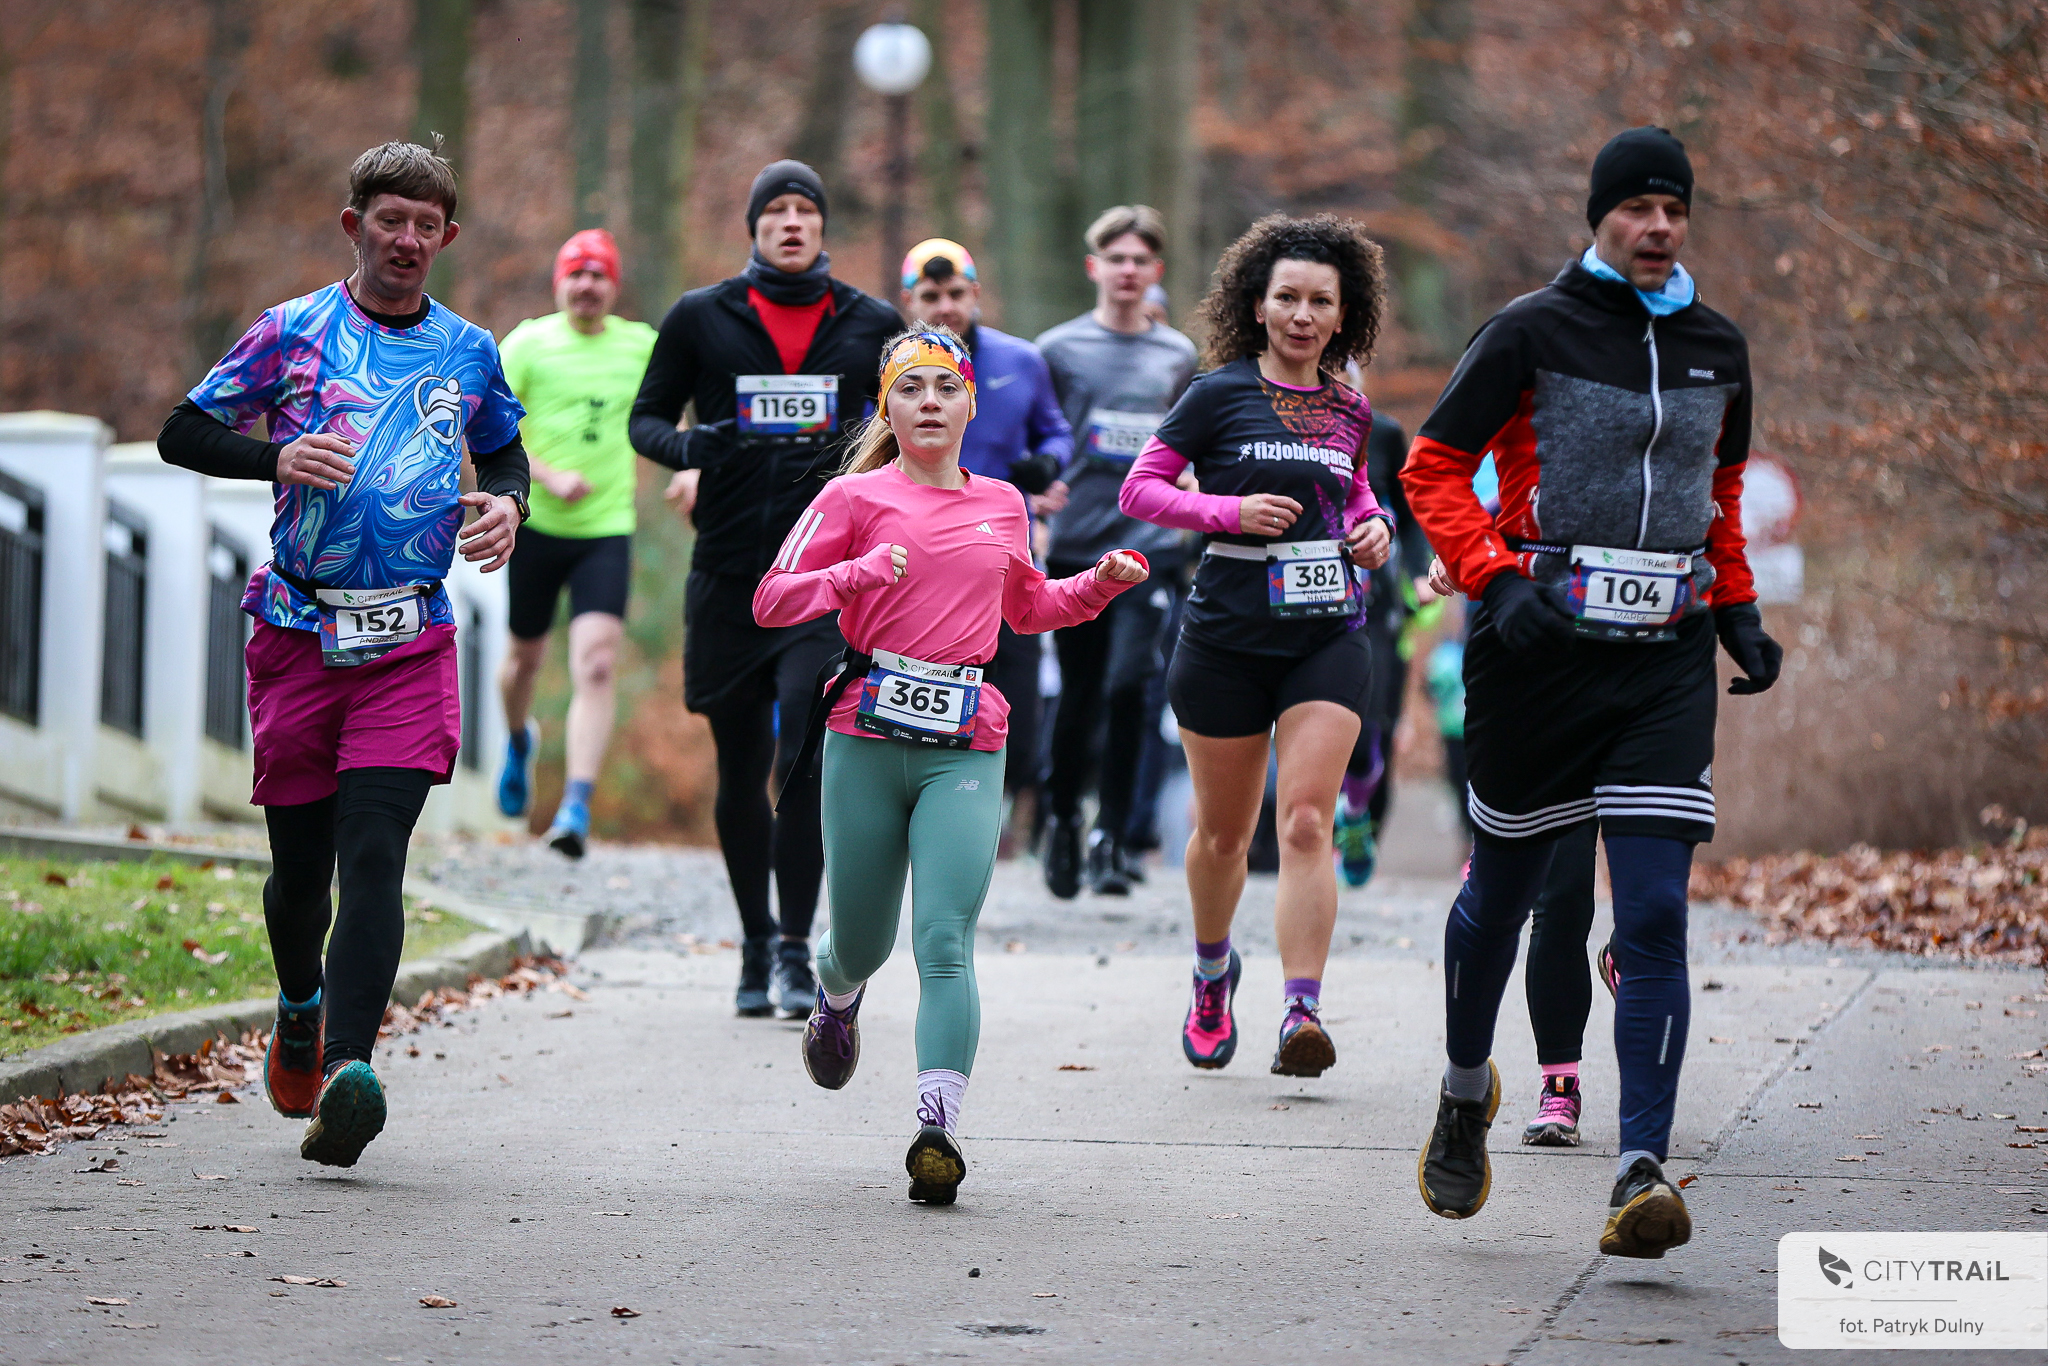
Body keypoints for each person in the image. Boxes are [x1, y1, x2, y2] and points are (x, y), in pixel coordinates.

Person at [1403, 127, 1782, 1257]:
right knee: (1503, 897)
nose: (1658, 225)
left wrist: (1737, 608)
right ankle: (1464, 1089)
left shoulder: (1717, 345)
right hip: (1537, 651)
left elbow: (1718, 489)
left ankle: (1639, 1168)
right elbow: (1431, 467)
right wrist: (1495, 577)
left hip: (1663, 659)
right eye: (1637, 207)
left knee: (1654, 909)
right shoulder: (1530, 330)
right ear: (1599, 216)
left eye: (1674, 208)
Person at [157, 141, 528, 1167]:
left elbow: (503, 446)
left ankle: (346, 1073)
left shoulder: (468, 349)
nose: (406, 240)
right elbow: (181, 431)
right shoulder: (292, 331)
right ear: (353, 224)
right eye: (389, 220)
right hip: (297, 630)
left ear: (447, 238)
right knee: (300, 873)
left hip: (409, 640)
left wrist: (509, 502)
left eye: (425, 226)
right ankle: (299, 1004)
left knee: (375, 857)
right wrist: (274, 455)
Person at [754, 328, 1145, 1204]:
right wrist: (853, 576)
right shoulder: (852, 496)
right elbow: (771, 600)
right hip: (865, 732)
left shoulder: (1003, 502)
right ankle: (836, 992)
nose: (929, 401)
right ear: (887, 408)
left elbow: (1028, 608)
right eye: (911, 388)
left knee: (943, 938)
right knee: (862, 942)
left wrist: (1099, 585)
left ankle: (938, 1127)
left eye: (945, 387)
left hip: (966, 739)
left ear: (971, 403)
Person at [1118, 213, 1394, 1077]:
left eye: (1321, 301)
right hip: (1227, 636)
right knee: (1223, 837)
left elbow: (1355, 493)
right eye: (1288, 298)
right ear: (1258, 305)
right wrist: (1226, 511)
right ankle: (1212, 972)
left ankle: (1301, 1011)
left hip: (1327, 632)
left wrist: (1376, 526)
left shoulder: (1350, 408)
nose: (1304, 315)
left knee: (1307, 820)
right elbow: (1141, 490)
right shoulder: (1217, 394)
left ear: (1344, 315)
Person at [629, 159, 900, 1019]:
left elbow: (906, 426)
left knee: (802, 759)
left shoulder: (871, 324)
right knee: (740, 765)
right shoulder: (702, 316)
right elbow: (646, 419)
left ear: (822, 226)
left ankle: (792, 947)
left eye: (804, 209)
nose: (790, 222)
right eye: (775, 210)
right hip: (728, 578)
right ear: (753, 226)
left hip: (821, 583)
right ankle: (753, 943)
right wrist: (690, 450)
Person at [1034, 205, 1198, 896]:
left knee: (1130, 686)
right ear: (1093, 267)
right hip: (1077, 545)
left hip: (1148, 546)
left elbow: (1190, 440)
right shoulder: (1057, 350)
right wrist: (1037, 494)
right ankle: (1063, 818)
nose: (1128, 271)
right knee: (1079, 692)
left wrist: (1191, 485)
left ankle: (1115, 835)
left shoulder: (1178, 355)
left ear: (1155, 271)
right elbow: (1042, 436)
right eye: (1117, 259)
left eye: (1140, 261)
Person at [493, 229, 657, 858]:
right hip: (534, 524)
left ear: (614, 287)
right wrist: (547, 475)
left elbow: (674, 410)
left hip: (605, 529)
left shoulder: (641, 346)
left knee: (596, 663)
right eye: (577, 274)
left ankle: (575, 807)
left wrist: (690, 466)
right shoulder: (527, 344)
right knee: (523, 661)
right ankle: (518, 740)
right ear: (558, 282)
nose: (587, 286)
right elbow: (489, 431)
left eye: (599, 275)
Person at [897, 237, 1071, 806]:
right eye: (931, 296)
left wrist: (1048, 465)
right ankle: (934, 807)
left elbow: (1057, 431)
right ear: (909, 302)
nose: (945, 307)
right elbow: (869, 447)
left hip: (1005, 558)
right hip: (921, 562)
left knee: (1016, 712)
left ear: (975, 293)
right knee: (931, 707)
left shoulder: (1021, 361)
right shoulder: (893, 373)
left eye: (955, 293)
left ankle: (1007, 808)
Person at [1333, 407, 1434, 887]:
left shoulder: (1384, 432)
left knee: (1369, 728)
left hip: (1372, 608)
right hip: (1297, 604)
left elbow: (1409, 519)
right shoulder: (1270, 421)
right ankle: (1311, 832)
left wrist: (1417, 573)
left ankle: (1356, 815)